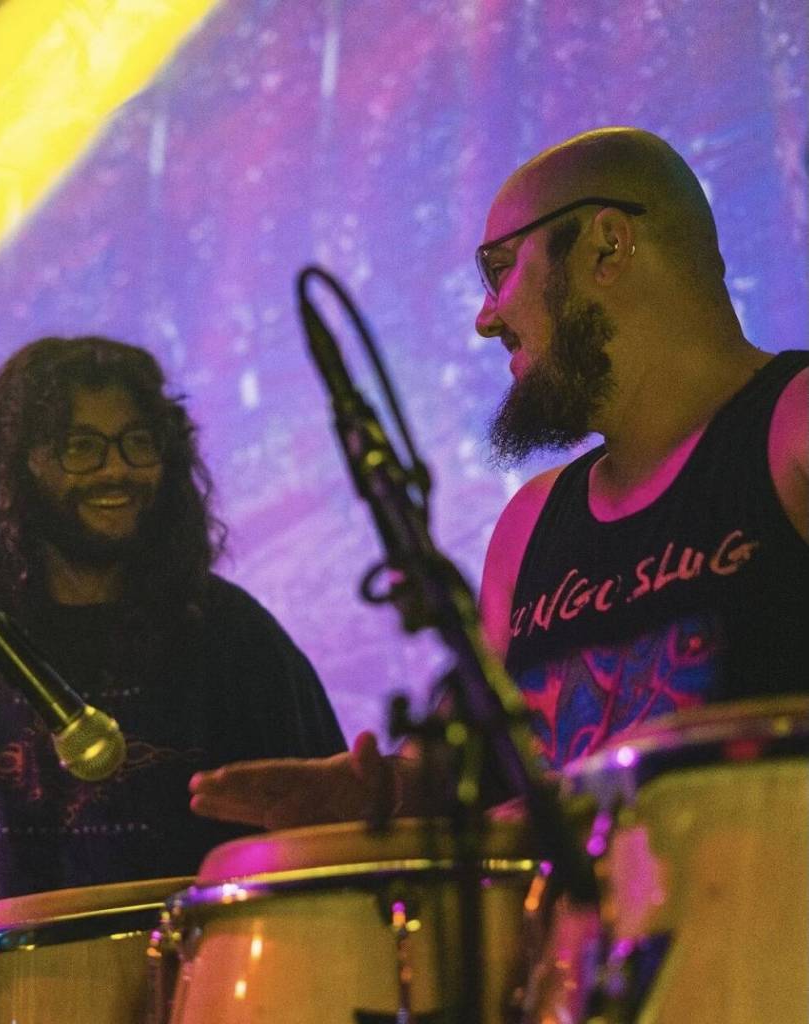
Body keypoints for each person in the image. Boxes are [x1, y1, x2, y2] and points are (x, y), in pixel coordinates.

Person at [187, 126, 809, 826]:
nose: (487, 318)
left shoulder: (794, 423)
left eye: (501, 267)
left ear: (608, 244)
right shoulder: (532, 523)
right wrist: (382, 795)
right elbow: (482, 775)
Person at [0, 335, 346, 923]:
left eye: (138, 443)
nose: (117, 469)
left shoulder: (234, 636)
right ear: (21, 465)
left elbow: (326, 817)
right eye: (81, 448)